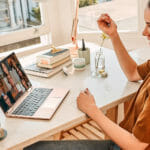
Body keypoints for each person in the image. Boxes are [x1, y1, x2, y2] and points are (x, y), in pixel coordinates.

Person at [25, 1, 150, 150]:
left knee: (35, 148)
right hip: (124, 140)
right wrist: (113, 35)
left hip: (126, 145)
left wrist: (92, 110)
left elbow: (136, 146)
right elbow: (133, 73)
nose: (144, 32)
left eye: (149, 25)